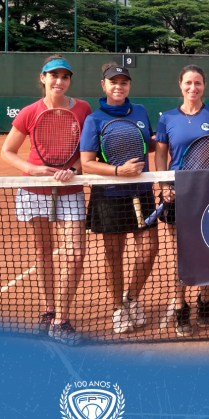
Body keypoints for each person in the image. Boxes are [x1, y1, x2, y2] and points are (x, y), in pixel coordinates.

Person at [1, 55, 91, 345]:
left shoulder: (83, 109)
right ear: (43, 78)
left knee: (75, 254)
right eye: (54, 76)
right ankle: (49, 310)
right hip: (34, 190)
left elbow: (88, 150)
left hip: (70, 191)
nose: (59, 81)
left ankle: (60, 321)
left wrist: (73, 169)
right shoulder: (29, 112)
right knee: (43, 253)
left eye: (64, 77)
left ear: (69, 81)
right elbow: (8, 151)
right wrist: (34, 169)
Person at [154, 64, 209, 336]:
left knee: (207, 249)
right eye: (188, 83)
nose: (193, 88)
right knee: (179, 253)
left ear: (204, 86)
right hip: (178, 191)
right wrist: (164, 185)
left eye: (198, 83)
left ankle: (204, 300)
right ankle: (181, 306)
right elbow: (161, 155)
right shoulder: (167, 118)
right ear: (180, 85)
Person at [80, 63, 158, 335]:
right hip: (109, 195)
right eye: (113, 82)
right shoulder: (94, 120)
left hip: (142, 192)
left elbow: (148, 143)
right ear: (104, 85)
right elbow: (86, 163)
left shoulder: (140, 111)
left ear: (129, 86)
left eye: (124, 82)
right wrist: (117, 171)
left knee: (149, 250)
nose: (118, 86)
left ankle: (131, 298)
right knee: (114, 254)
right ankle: (118, 308)